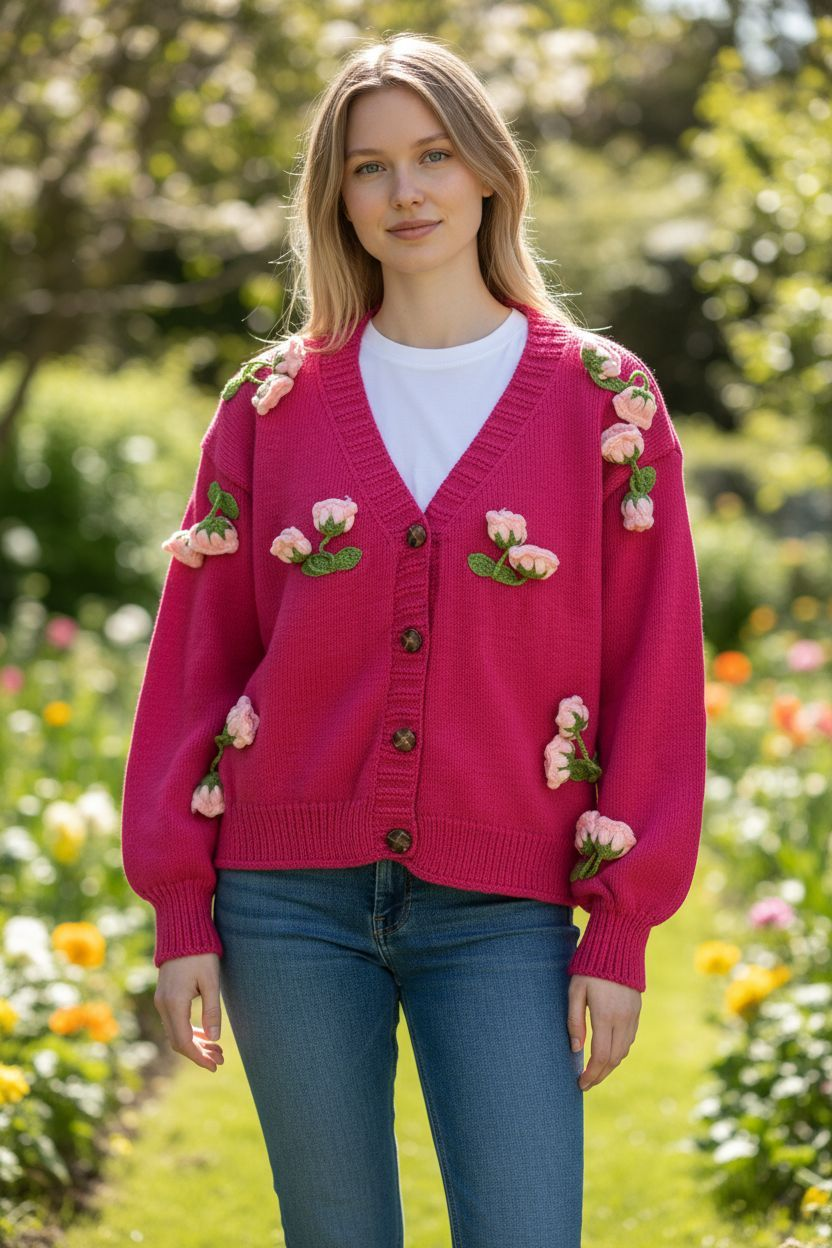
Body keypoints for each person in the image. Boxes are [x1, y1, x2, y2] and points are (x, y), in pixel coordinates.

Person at [120, 30, 707, 1248]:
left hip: (505, 905)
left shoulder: (609, 404)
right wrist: (182, 907)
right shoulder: (268, 407)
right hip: (285, 902)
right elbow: (196, 661)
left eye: (434, 154)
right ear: (335, 194)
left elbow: (655, 671)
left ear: (489, 169)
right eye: (368, 165)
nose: (406, 191)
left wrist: (620, 925)